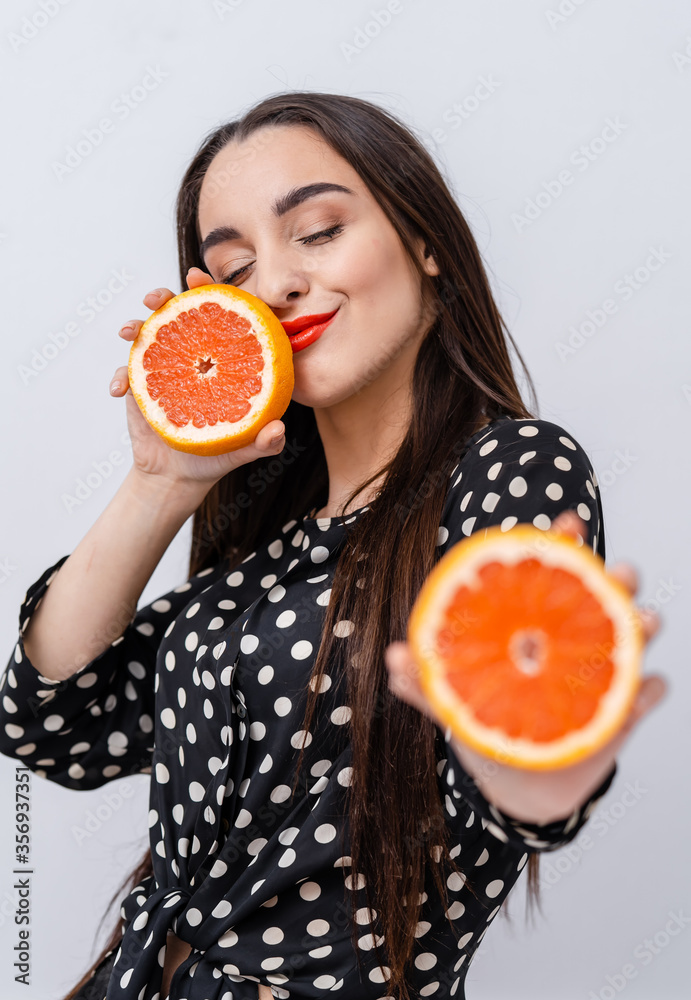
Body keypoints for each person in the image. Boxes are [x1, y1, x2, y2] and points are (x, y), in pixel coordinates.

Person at [0, 92, 666, 1000]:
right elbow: (50, 724)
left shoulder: (507, 470)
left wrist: (545, 769)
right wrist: (160, 484)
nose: (273, 284)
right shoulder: (265, 536)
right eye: (232, 268)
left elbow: (511, 758)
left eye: (316, 231)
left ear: (425, 242)